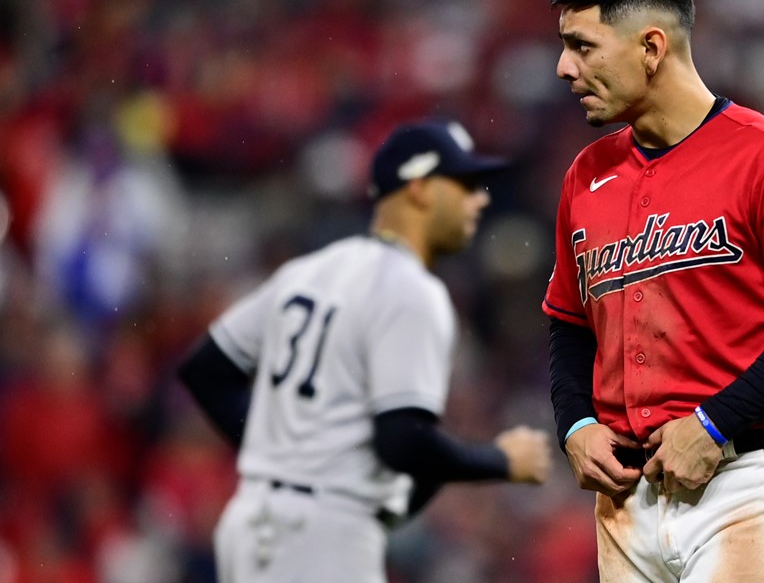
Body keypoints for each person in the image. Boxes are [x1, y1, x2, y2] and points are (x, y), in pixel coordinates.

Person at [543, 0, 764, 583]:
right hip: (627, 498)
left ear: (652, 46)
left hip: (743, 483)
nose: (563, 68)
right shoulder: (587, 175)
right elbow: (569, 325)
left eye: (582, 46)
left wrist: (716, 422)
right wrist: (576, 423)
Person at [177, 119, 552, 583]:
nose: (479, 200)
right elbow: (403, 442)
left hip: (252, 522)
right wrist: (500, 460)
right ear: (419, 189)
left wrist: (284, 456)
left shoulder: (312, 270)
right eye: (464, 185)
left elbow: (206, 370)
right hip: (325, 536)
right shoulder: (411, 289)